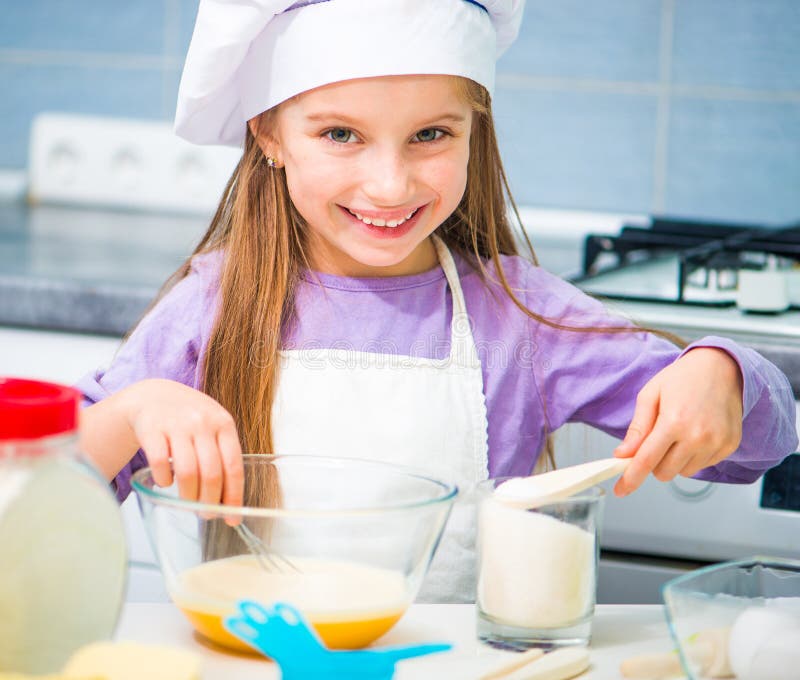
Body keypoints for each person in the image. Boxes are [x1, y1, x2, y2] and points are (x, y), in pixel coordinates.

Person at [77, 0, 798, 603]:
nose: (390, 185)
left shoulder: (520, 320)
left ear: (473, 129)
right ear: (268, 134)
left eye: (430, 135)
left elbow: (754, 449)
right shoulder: (213, 305)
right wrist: (129, 411)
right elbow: (48, 489)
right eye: (339, 134)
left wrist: (721, 372)